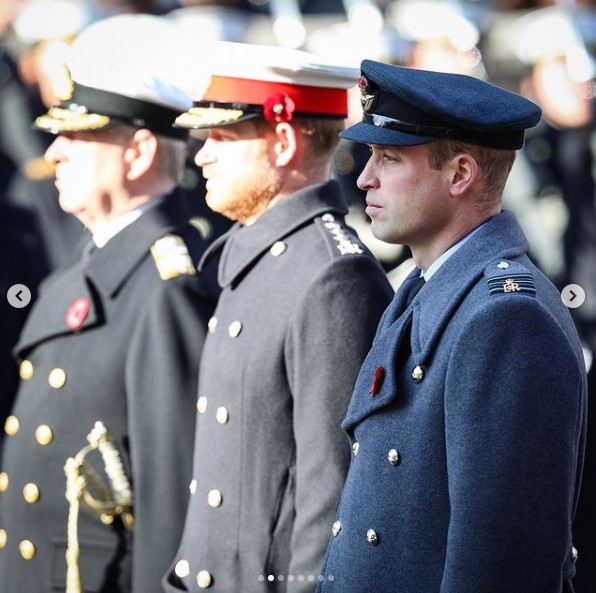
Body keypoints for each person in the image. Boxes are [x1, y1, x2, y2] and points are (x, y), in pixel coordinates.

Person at [315, 60, 588, 593]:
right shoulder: (427, 285)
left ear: (460, 174)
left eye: (389, 159)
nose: (364, 177)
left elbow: (499, 569)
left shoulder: (506, 320)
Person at [162, 41, 394, 593]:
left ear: (283, 142)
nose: (201, 156)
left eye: (220, 137)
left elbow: (332, 493)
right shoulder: (256, 254)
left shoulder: (332, 277)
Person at [0, 13, 218, 593]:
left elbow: (171, 504)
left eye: (80, 135)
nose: (57, 151)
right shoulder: (76, 274)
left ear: (140, 152)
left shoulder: (168, 291)